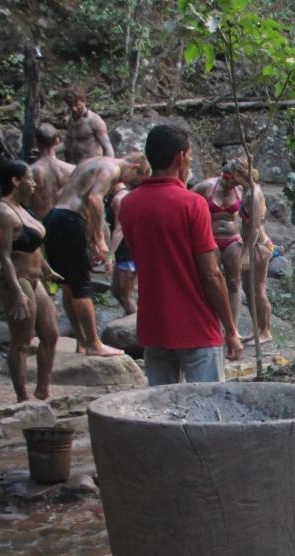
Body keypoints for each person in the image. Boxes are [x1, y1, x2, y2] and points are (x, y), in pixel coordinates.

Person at [118, 124, 242, 385]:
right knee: (208, 411)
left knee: (163, 416)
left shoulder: (129, 204)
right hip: (196, 327)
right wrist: (230, 329)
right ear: (180, 158)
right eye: (190, 157)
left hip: (155, 326)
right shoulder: (192, 204)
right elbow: (211, 274)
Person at [44, 153, 150, 356]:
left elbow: (61, 192)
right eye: (135, 180)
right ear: (134, 166)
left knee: (67, 285)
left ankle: (82, 341)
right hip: (69, 221)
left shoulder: (90, 162)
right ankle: (93, 343)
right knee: (81, 286)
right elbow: (94, 199)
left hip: (54, 217)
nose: (128, 184)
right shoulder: (112, 169)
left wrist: (91, 234)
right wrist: (99, 238)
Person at [0, 160, 58, 402]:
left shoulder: (22, 208)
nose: (34, 183)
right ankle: (23, 397)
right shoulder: (3, 212)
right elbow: (5, 257)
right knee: (22, 341)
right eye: (30, 178)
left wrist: (48, 271)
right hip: (16, 280)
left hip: (36, 278)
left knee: (50, 334)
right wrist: (17, 292)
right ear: (15, 181)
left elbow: (34, 248)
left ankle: (43, 390)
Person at [228, 158, 274, 345]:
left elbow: (255, 226)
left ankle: (265, 331)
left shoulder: (254, 194)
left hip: (258, 246)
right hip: (249, 244)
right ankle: (258, 330)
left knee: (258, 289)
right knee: (249, 289)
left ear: (240, 173)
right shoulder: (245, 191)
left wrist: (247, 252)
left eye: (233, 173)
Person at [192, 167, 245, 327]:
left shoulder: (241, 189)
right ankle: (209, 322)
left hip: (233, 239)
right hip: (210, 238)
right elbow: (187, 202)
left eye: (235, 183)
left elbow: (253, 214)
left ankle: (233, 327)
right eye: (230, 182)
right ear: (224, 177)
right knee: (209, 280)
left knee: (234, 282)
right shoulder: (205, 187)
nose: (232, 186)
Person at [29, 123, 74, 220]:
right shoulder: (72, 170)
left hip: (42, 225)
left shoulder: (29, 172)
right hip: (67, 224)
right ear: (57, 141)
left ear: (36, 142)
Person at [106, 183, 137, 315]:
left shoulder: (119, 199)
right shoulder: (127, 195)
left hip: (126, 252)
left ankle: (134, 328)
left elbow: (120, 229)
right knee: (116, 291)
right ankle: (132, 317)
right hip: (126, 250)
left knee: (126, 294)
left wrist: (109, 256)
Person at [62, 86, 114, 162]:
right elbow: (66, 145)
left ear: (84, 101)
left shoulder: (95, 121)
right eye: (70, 105)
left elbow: (108, 149)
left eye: (76, 104)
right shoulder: (71, 121)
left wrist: (107, 167)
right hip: (72, 168)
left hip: (91, 168)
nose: (74, 108)